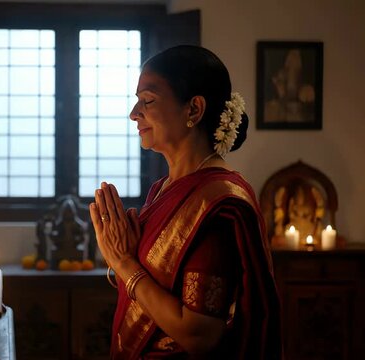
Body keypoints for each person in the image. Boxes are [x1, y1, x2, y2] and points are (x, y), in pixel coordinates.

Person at [89, 45, 282, 359]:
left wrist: (124, 264)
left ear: (194, 109)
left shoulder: (218, 204)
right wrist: (122, 257)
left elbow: (199, 334)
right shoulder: (162, 190)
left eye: (147, 101)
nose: (134, 113)